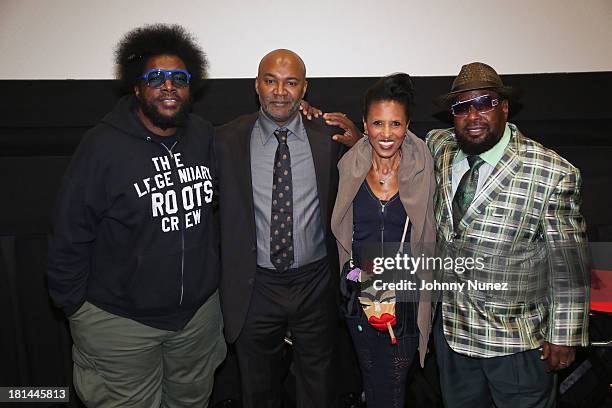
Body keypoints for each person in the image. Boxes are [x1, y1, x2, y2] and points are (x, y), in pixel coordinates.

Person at [47, 24, 226, 407]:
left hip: (195, 320)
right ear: (137, 87)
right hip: (120, 323)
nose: (168, 86)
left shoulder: (203, 136)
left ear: (190, 87)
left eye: (179, 78)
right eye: (156, 78)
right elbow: (69, 233)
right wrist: (77, 309)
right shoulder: (102, 146)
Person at [426, 62, 589, 408]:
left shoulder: (552, 172)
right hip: (453, 337)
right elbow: (393, 142)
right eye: (462, 107)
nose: (473, 116)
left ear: (504, 106)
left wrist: (564, 334)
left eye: (484, 103)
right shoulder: (441, 148)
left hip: (518, 344)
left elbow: (569, 262)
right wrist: (357, 135)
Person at [214, 49, 361, 408]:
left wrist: (360, 142)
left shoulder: (329, 137)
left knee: (319, 387)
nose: (280, 91)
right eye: (271, 81)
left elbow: (374, 177)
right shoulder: (225, 140)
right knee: (258, 388)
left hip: (314, 283)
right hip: (255, 284)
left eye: (291, 83)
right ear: (256, 86)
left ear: (304, 89)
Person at [331, 73, 436, 407]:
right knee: (370, 379)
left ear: (407, 126)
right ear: (365, 124)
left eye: (396, 124)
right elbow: (344, 241)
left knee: (391, 387)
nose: (387, 134)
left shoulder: (423, 167)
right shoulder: (351, 165)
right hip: (359, 292)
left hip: (405, 297)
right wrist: (354, 278)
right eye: (378, 123)